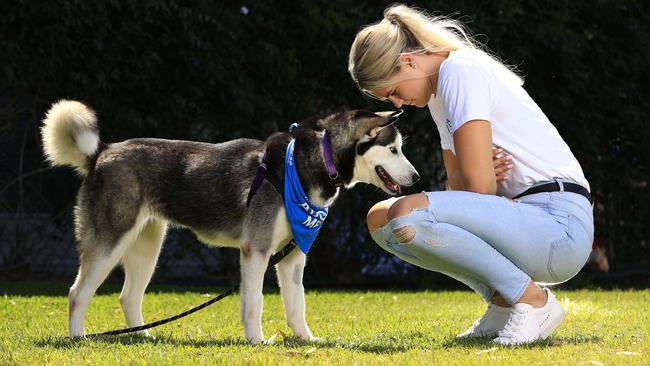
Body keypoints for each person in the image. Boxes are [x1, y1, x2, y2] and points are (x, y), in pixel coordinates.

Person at [348, 4, 594, 345]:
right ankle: (503, 303)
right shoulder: (440, 96)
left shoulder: (460, 72)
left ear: (408, 62)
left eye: (393, 91)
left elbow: (475, 187)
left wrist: (476, 177)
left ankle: (533, 302)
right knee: (381, 219)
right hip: (523, 222)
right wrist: (475, 176)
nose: (399, 103)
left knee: (406, 215)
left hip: (558, 225)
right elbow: (459, 186)